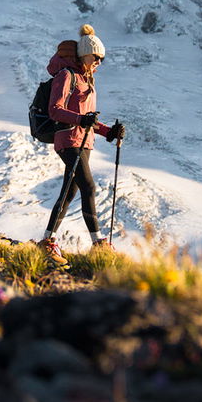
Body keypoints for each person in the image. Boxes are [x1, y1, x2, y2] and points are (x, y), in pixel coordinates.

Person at [40, 24, 125, 263]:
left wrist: (109, 132)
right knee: (88, 187)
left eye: (101, 59)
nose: (98, 62)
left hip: (83, 142)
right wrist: (81, 120)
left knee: (69, 191)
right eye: (95, 57)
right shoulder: (66, 75)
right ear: (84, 54)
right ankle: (98, 244)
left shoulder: (86, 80)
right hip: (68, 139)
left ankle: (47, 241)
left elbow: (88, 120)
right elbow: (55, 110)